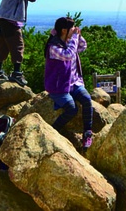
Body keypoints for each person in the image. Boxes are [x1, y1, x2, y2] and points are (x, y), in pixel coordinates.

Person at [44, 16, 93, 152]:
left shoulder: (68, 41)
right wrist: (74, 37)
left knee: (87, 100)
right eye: (72, 27)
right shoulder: (54, 46)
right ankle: (53, 131)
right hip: (59, 87)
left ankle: (87, 133)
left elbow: (83, 47)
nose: (75, 29)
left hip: (75, 83)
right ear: (64, 30)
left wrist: (77, 36)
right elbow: (69, 55)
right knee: (72, 109)